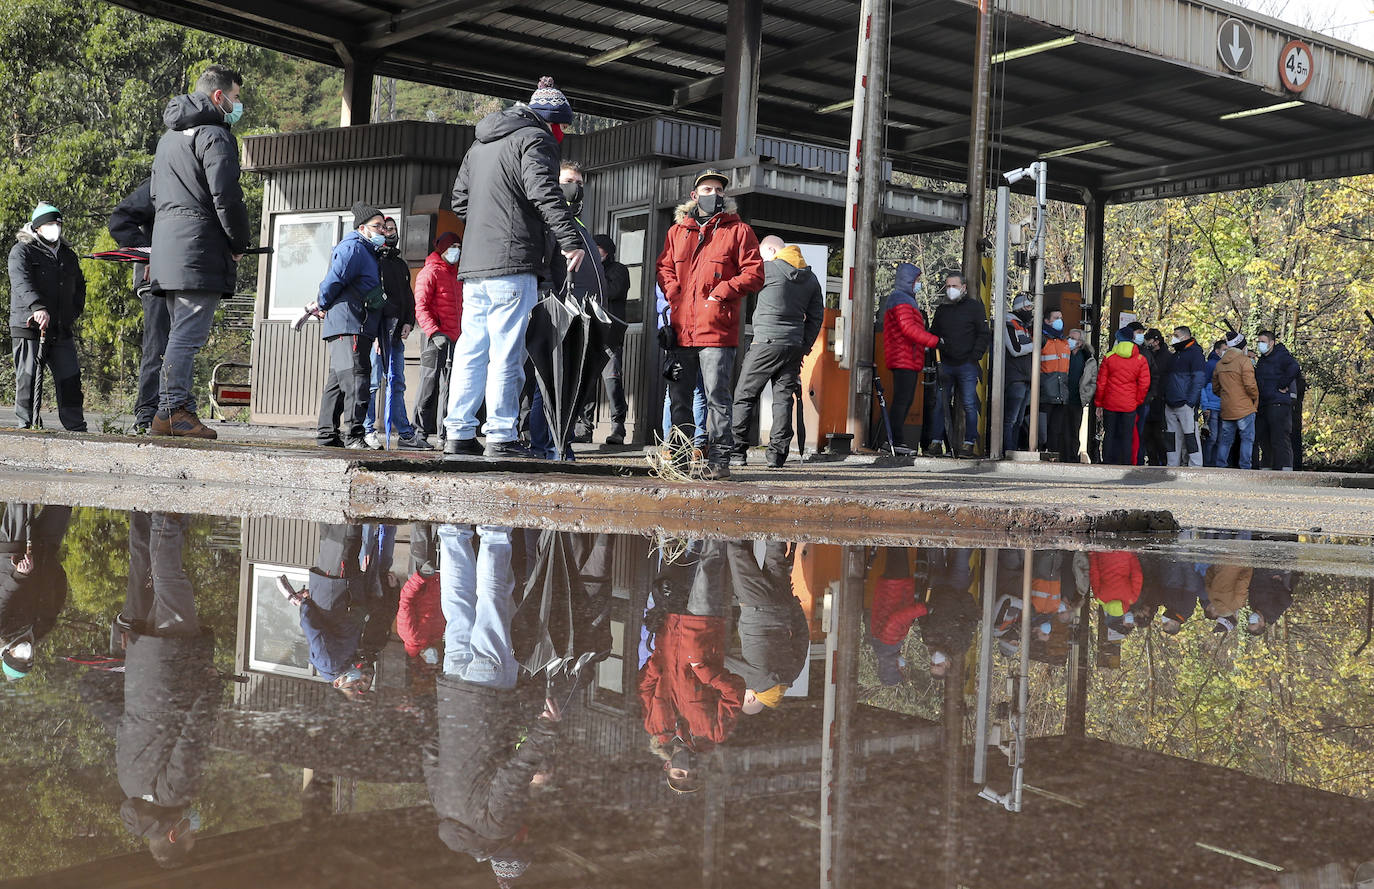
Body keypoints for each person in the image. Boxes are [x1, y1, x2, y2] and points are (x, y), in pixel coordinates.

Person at [443, 76, 584, 460]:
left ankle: (458, 432)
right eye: (563, 127)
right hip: (512, 263)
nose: (562, 135)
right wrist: (569, 240)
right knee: (507, 351)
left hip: (474, 267)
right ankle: (501, 435)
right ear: (553, 121)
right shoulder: (535, 140)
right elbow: (544, 192)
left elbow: (460, 202)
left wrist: (488, 227)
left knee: (472, 350)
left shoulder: (479, 145)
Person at [427, 523, 559, 888]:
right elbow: (431, 752)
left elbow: (513, 775)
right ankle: (452, 532)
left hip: (489, 696)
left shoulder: (497, 826)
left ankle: (494, 531)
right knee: (458, 610)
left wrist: (546, 729)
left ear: (514, 844)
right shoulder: (447, 812)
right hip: (454, 691)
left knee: (492, 605)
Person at [110, 511, 219, 869]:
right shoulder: (128, 786)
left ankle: (166, 517)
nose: (194, 831)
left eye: (191, 837)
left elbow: (192, 735)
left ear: (173, 835)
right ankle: (149, 515)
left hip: (174, 667)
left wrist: (211, 689)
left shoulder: (174, 794)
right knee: (154, 582)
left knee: (173, 584)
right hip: (144, 669)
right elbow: (124, 726)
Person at [149, 64, 251, 439]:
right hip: (199, 249)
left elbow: (157, 196)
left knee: (179, 332)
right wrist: (238, 243)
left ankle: (171, 410)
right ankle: (173, 411)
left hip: (169, 247)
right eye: (237, 98)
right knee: (187, 336)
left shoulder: (168, 138)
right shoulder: (215, 135)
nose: (239, 106)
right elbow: (226, 195)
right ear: (219, 97)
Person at [655, 168, 765, 479]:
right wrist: (674, 293)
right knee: (679, 398)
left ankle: (719, 460)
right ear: (694, 196)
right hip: (681, 330)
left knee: (718, 398)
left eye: (718, 189)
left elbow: (755, 273)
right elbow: (663, 268)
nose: (713, 194)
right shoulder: (677, 233)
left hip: (717, 330)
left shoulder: (739, 231)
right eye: (707, 189)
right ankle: (678, 459)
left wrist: (722, 291)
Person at [527, 159, 610, 461]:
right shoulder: (550, 223)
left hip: (584, 318)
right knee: (548, 386)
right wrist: (554, 302)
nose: (572, 187)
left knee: (569, 386)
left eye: (577, 182)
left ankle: (559, 442)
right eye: (566, 181)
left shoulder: (580, 226)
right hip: (561, 314)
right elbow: (544, 268)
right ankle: (544, 446)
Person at [728, 236, 823, 468]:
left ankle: (737, 452)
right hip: (793, 346)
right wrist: (804, 346)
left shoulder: (766, 269)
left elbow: (739, 286)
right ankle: (777, 456)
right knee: (782, 401)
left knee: (744, 396)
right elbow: (816, 317)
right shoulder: (810, 278)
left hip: (765, 343)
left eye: (763, 254)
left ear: (771, 250)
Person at [310, 203, 386, 449]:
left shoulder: (366, 251)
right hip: (350, 323)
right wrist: (322, 303)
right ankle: (353, 436)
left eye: (384, 227)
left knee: (338, 382)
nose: (382, 231)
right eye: (377, 227)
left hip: (355, 324)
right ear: (362, 228)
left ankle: (327, 434)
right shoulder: (353, 248)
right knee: (356, 379)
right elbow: (333, 280)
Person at [9, 202, 87, 431]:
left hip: (60, 328)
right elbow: (21, 281)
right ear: (37, 227)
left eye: (58, 223)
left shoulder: (67, 255)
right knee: (28, 378)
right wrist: (37, 307)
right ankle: (28, 425)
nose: (55, 228)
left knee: (70, 379)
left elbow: (79, 286)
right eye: (50, 224)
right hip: (29, 326)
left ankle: (76, 427)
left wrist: (73, 312)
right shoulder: (21, 250)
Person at [108, 179, 167, 434]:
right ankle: (146, 412)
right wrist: (148, 255)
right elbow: (121, 218)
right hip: (154, 277)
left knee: (182, 348)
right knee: (157, 347)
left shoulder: (200, 182)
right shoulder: (158, 182)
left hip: (188, 277)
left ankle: (174, 409)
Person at [365, 216, 428, 449]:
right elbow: (373, 297)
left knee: (397, 382)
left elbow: (407, 297)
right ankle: (368, 429)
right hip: (377, 332)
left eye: (392, 229)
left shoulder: (400, 264)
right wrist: (375, 333)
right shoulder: (373, 260)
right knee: (372, 383)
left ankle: (404, 433)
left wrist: (409, 321)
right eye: (384, 229)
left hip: (396, 332)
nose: (389, 233)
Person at [1, 502, 72, 681]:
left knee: (20, 500)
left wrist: (20, 574)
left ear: (7, 653)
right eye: (29, 659)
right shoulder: (42, 629)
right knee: (63, 504)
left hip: (13, 554)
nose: (26, 654)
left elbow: (3, 596)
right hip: (45, 551)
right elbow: (58, 598)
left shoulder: (2, 631)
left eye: (20, 658)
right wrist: (53, 569)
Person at [876, 262, 940, 453]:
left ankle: (895, 440)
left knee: (904, 400)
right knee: (902, 400)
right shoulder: (901, 300)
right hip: (904, 358)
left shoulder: (904, 299)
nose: (918, 284)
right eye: (917, 280)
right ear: (908, 280)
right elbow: (909, 329)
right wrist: (935, 341)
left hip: (907, 358)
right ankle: (894, 441)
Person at [929, 272, 991, 458]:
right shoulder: (942, 310)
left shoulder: (975, 308)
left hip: (967, 365)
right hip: (945, 364)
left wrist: (975, 357)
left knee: (970, 405)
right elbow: (933, 335)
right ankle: (936, 442)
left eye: (954, 286)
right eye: (948, 286)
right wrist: (937, 356)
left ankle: (969, 443)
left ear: (963, 287)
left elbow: (983, 334)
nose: (950, 290)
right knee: (940, 404)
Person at [413, 232, 463, 446]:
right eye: (453, 247)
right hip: (435, 339)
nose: (456, 251)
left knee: (450, 387)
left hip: (456, 339)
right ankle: (419, 434)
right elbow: (420, 306)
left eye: (459, 247)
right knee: (428, 385)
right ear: (442, 248)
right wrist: (434, 332)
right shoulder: (430, 272)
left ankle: (444, 435)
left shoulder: (456, 275)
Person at [589, 234, 631, 444]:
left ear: (608, 250)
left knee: (612, 381)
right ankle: (583, 428)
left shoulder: (619, 270)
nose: (595, 253)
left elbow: (613, 291)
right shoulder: (587, 269)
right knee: (586, 382)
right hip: (590, 332)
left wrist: (595, 273)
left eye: (599, 249)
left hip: (611, 335)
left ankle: (618, 427)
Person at [1094, 326, 1150, 465]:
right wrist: (1137, 400)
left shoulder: (1109, 358)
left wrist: (1099, 403)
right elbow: (1144, 384)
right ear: (1132, 339)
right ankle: (1126, 463)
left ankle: (1107, 461)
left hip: (1110, 402)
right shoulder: (1140, 359)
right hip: (1129, 404)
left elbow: (1101, 383)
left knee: (1110, 434)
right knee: (1127, 435)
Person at [1253, 329, 1300, 471]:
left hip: (1278, 403)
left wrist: (1282, 384)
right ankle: (1267, 467)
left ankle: (1285, 468)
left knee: (1279, 438)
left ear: (1271, 343)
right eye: (1259, 342)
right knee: (1264, 438)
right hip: (1264, 404)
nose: (1260, 344)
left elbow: (1294, 367)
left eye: (1263, 342)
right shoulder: (1262, 360)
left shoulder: (1281, 356)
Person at [1212, 333, 1258, 469]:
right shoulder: (1244, 361)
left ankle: (1220, 465)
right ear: (1242, 346)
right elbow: (1250, 386)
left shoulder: (1220, 364)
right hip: (1244, 407)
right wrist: (1254, 397)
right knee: (1247, 439)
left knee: (1225, 440)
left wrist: (1226, 396)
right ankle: (1245, 466)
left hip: (1227, 407)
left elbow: (1215, 387)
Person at [1163, 325, 1205, 467]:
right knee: (1172, 438)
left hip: (1185, 404)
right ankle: (1172, 466)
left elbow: (1199, 379)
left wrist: (1190, 402)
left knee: (1190, 436)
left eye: (1176, 335)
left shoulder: (1195, 354)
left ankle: (1196, 466)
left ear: (1185, 337)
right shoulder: (1175, 356)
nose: (1173, 338)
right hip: (1171, 403)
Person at [1001, 294, 1035, 452]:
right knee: (1011, 419)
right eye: (1028, 307)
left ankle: (1012, 450)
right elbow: (1015, 350)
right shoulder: (1010, 323)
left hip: (1025, 378)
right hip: (1016, 379)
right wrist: (1034, 346)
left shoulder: (1024, 326)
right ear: (1019, 307)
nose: (1031, 310)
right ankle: (1006, 450)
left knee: (1019, 420)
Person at [1038, 309, 1071, 458]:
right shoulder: (1041, 340)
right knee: (1042, 429)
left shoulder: (1064, 342)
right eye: (1056, 317)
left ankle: (1053, 456)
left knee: (1056, 429)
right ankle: (1040, 454)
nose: (1060, 320)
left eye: (1061, 317)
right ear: (1047, 321)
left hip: (1061, 393)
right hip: (1045, 392)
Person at [1065, 328, 1097, 463]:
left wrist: (1087, 396)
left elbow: (1093, 380)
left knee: (1074, 429)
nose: (1070, 340)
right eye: (1069, 337)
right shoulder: (1063, 353)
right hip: (1062, 398)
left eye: (1073, 338)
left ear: (1080, 342)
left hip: (1077, 399)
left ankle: (1073, 457)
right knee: (1062, 429)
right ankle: (1062, 455)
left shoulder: (1087, 358)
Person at [1140, 327, 1170, 465]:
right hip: (1148, 399)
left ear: (1156, 341)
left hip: (1160, 401)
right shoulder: (1147, 354)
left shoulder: (1167, 357)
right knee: (1147, 434)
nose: (1147, 342)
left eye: (1149, 339)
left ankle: (1163, 460)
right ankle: (1152, 460)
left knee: (1159, 434)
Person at [1199, 338, 1225, 466]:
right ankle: (1207, 464)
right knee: (1212, 438)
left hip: (1223, 408)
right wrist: (1205, 406)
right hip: (1211, 407)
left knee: (1220, 439)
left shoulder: (1226, 365)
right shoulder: (1210, 365)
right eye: (1224, 350)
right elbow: (1202, 386)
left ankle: (1216, 465)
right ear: (1217, 350)